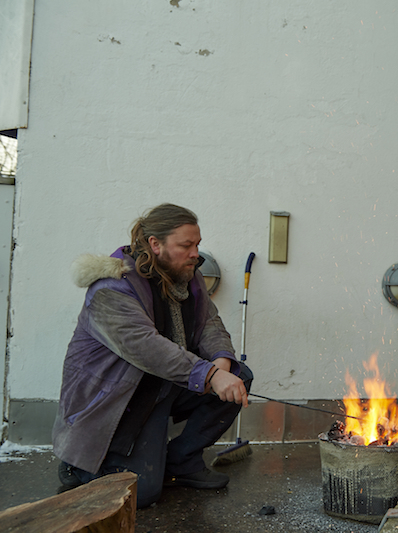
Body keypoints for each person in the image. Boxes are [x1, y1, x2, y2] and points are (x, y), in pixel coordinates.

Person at [52, 203, 252, 508]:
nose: (195, 253)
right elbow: (149, 349)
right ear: (155, 245)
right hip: (119, 401)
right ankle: (79, 465)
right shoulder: (111, 288)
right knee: (142, 495)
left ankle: (181, 462)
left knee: (239, 377)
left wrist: (221, 362)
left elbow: (209, 321)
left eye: (196, 244)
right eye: (186, 245)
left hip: (160, 386)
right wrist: (210, 375)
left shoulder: (187, 275)